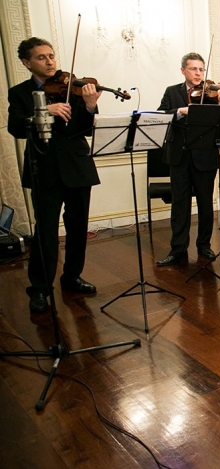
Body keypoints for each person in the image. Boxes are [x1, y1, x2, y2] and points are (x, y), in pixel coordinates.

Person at [7, 37, 102, 313]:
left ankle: (72, 276)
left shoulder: (71, 87)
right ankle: (39, 287)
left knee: (77, 228)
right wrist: (43, 111)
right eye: (41, 57)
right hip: (44, 170)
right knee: (45, 232)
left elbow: (84, 129)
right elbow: (15, 127)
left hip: (77, 167)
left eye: (51, 56)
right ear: (27, 63)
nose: (49, 61)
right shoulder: (20, 92)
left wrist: (89, 106)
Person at [155, 52, 220, 266]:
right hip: (179, 157)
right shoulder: (172, 92)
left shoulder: (211, 93)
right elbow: (161, 115)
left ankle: (204, 245)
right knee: (180, 205)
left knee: (206, 203)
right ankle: (177, 249)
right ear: (183, 71)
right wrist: (180, 111)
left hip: (205, 156)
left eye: (201, 69)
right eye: (193, 69)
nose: (198, 73)